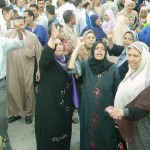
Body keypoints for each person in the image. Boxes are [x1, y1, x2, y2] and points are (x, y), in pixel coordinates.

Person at [68, 39, 121, 150]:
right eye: (97, 48)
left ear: (106, 51)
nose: (100, 51)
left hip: (106, 111)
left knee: (105, 138)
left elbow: (117, 92)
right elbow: (71, 67)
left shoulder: (112, 68)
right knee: (89, 137)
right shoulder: (86, 65)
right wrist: (78, 46)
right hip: (88, 111)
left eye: (102, 48)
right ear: (93, 51)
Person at [35, 24, 74, 150]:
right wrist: (53, 38)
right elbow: (45, 57)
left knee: (63, 133)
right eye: (55, 45)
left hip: (63, 108)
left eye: (60, 44)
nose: (59, 47)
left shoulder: (65, 61)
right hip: (49, 106)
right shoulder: (47, 64)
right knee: (50, 133)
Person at [106, 41, 150, 150]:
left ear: (144, 57)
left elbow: (143, 106)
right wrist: (117, 109)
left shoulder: (147, 80)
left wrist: (123, 112)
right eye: (129, 55)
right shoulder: (131, 73)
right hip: (129, 125)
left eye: (135, 56)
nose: (131, 59)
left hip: (142, 128)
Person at [6, 16, 42, 124]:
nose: (19, 28)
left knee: (28, 91)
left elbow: (39, 54)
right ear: (13, 25)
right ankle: (16, 113)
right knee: (12, 90)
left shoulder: (32, 37)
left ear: (25, 24)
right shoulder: (7, 35)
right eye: (16, 26)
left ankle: (29, 113)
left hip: (27, 69)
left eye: (21, 25)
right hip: (11, 68)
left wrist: (38, 70)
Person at [0, 22, 24, 150]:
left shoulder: (2, 41)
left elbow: (20, 43)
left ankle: (3, 144)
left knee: (1, 117)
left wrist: (19, 31)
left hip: (0, 84)